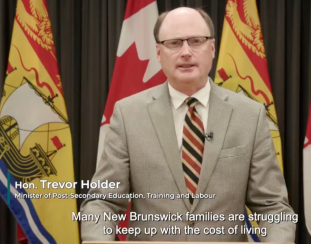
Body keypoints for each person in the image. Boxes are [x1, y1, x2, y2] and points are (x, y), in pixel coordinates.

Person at [80, 7, 296, 242]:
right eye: (174, 43)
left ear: (212, 48)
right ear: (159, 52)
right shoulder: (128, 114)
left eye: (196, 41)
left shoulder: (249, 115)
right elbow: (103, 202)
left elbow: (273, 207)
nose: (186, 52)